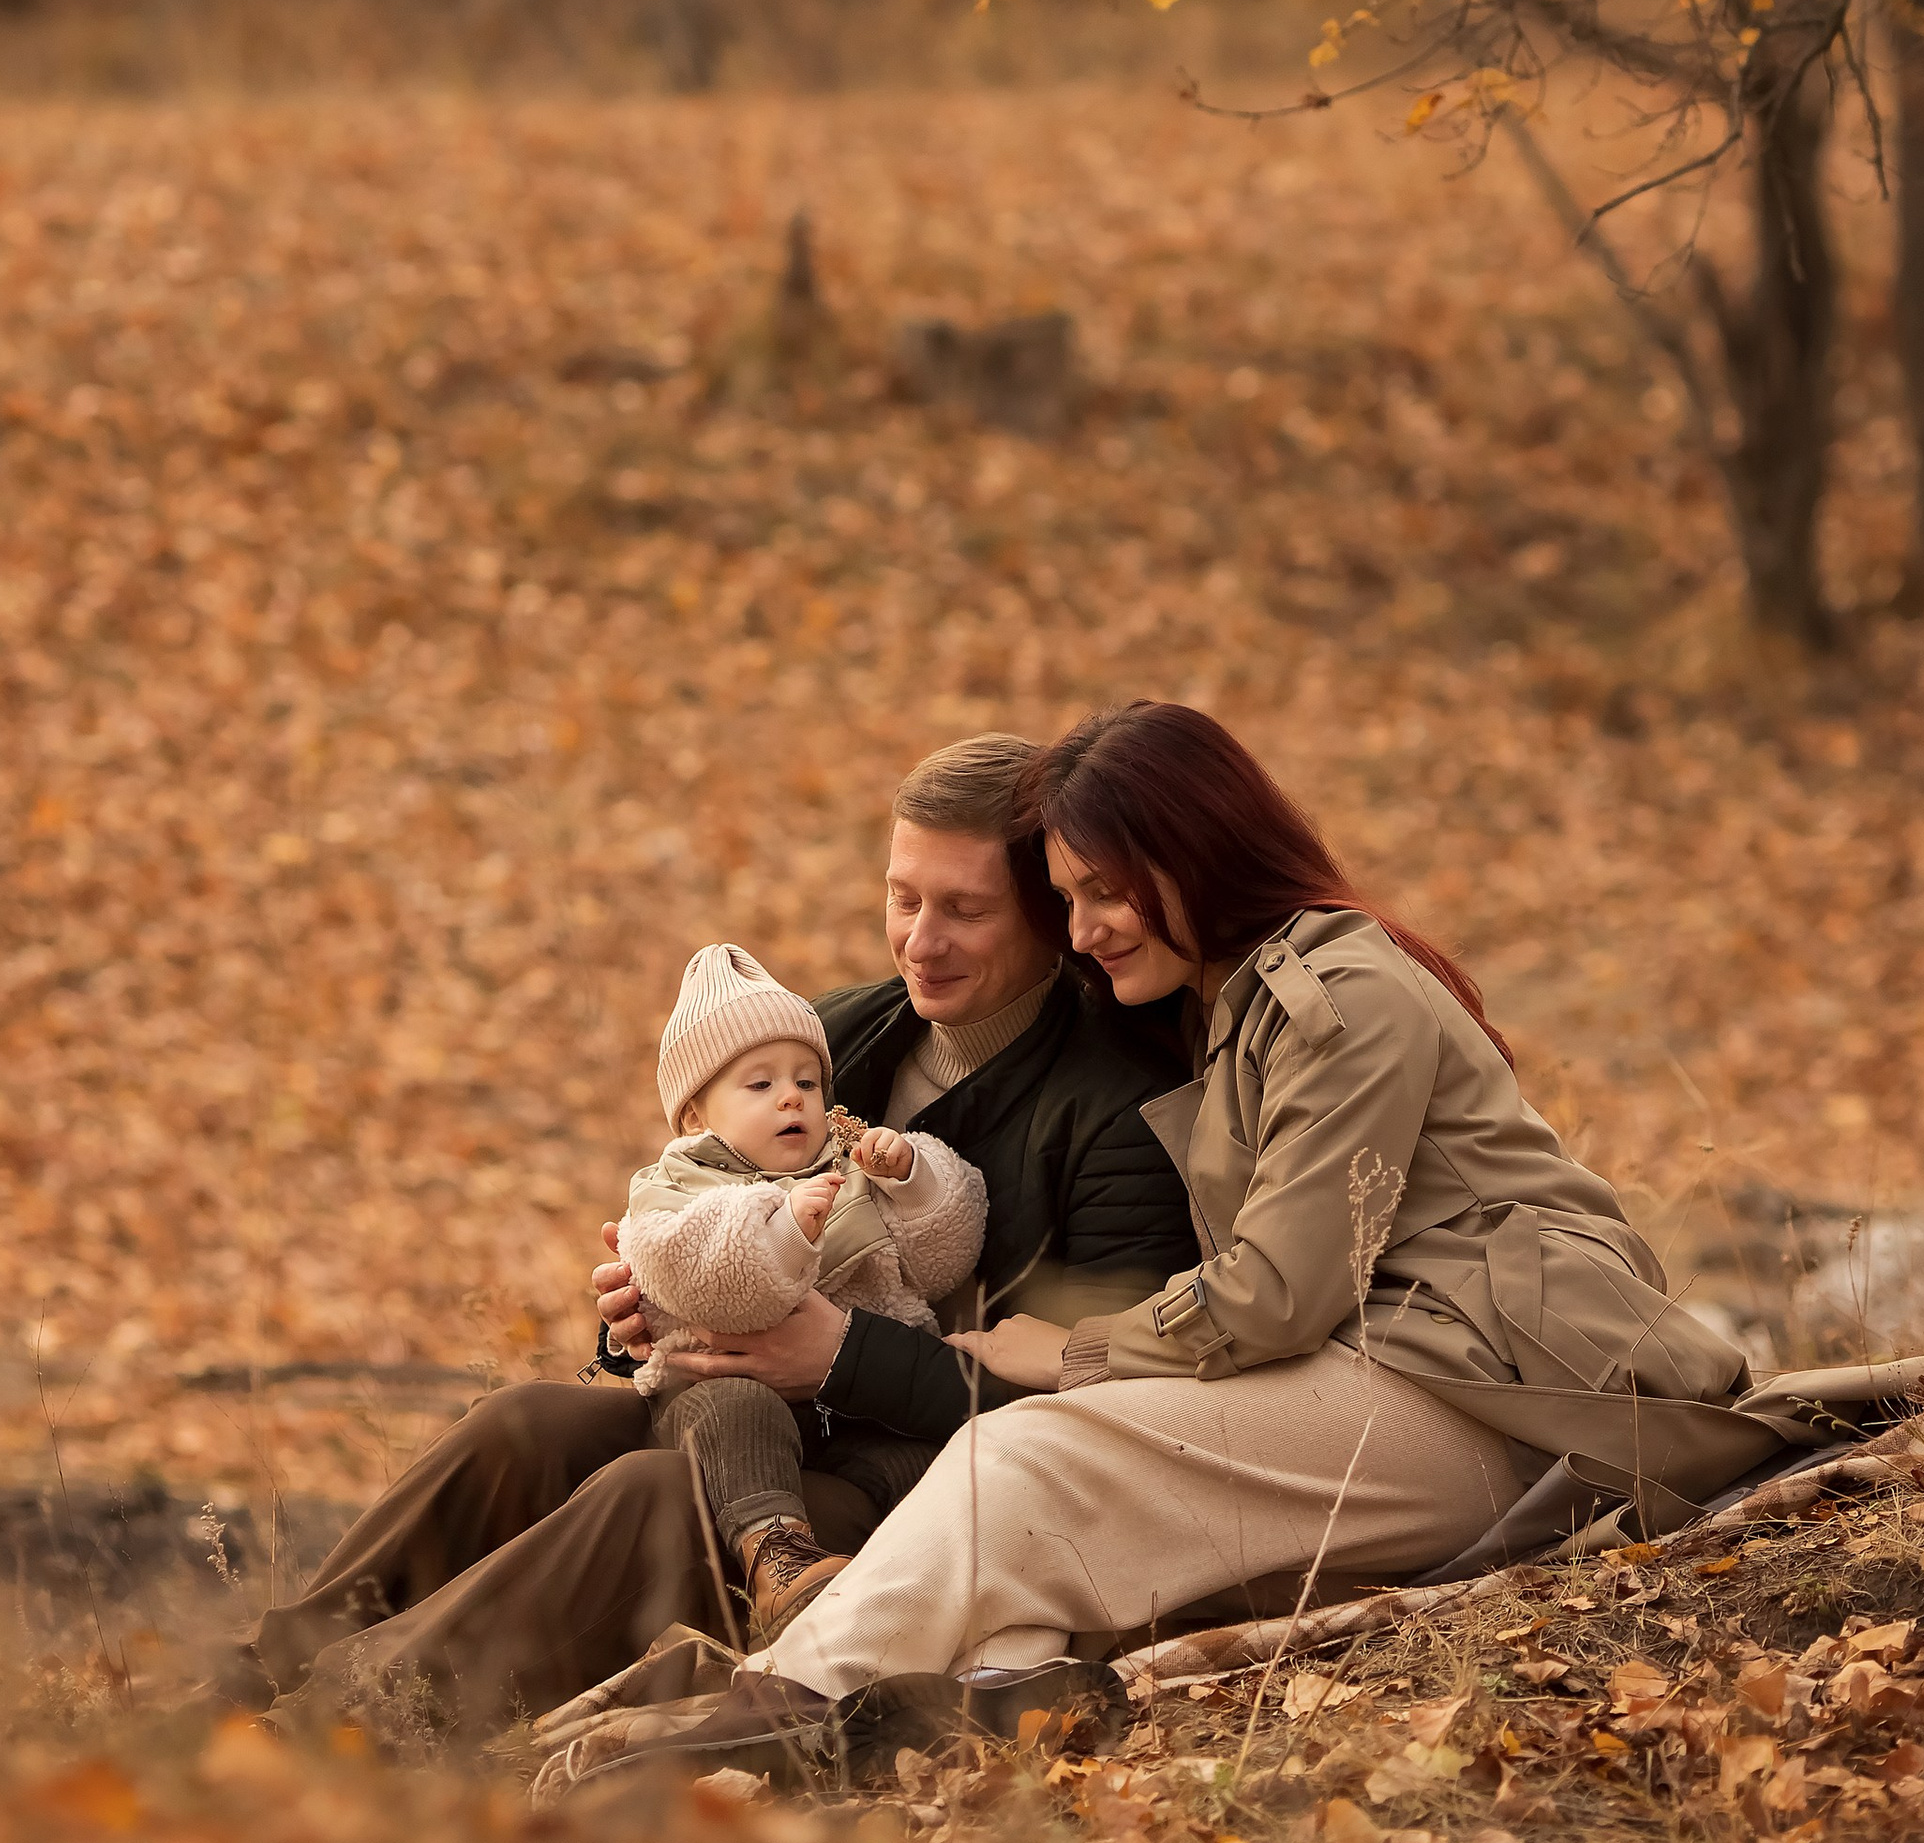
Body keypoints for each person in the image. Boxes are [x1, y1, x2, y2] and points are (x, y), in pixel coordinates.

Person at [564, 702, 1767, 1761]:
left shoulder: (1341, 997)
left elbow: (1279, 1294)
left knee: (1026, 1455)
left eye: (1104, 892)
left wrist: (1068, 1353)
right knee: (1059, 1544)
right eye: (1069, 898)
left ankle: (763, 1715)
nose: (1083, 929)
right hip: (1388, 1372)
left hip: (1482, 1393)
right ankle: (949, 1708)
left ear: (1196, 855)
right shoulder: (1228, 1004)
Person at [248, 730, 1198, 1729]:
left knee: (661, 1503)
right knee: (526, 1424)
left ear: (1049, 916)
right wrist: (640, 1319)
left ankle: (346, 1729)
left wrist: (841, 1358)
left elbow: (1097, 1407)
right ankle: (247, 1677)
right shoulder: (831, 1039)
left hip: (915, 1479)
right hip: (742, 1409)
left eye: (965, 910)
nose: (920, 941)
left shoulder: (1115, 1114)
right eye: (902, 897)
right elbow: (701, 1203)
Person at [620, 942, 986, 1633]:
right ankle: (777, 1556)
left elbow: (940, 1259)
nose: (791, 1097)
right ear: (697, 1116)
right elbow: (714, 1281)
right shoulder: (673, 1189)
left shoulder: (845, 1166)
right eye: (758, 1086)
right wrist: (785, 1231)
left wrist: (911, 1180)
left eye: (806, 1083)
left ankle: (934, 1582)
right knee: (736, 1415)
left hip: (853, 1408)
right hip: (726, 1396)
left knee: (918, 1457)